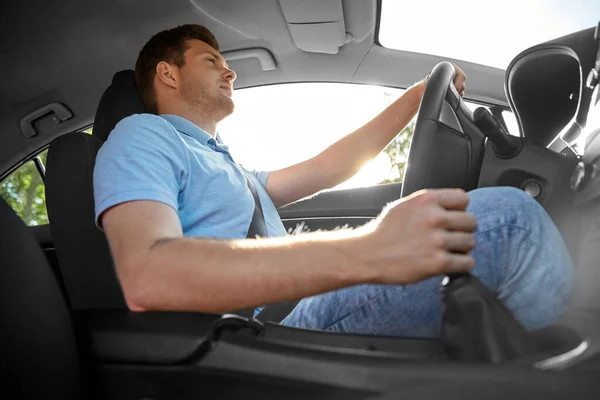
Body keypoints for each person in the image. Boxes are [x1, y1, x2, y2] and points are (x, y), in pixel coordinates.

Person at [93, 24, 574, 337]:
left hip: (297, 310)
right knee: (512, 223)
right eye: (210, 61)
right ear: (167, 74)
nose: (230, 70)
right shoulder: (142, 135)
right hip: (263, 332)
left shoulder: (227, 165)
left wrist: (415, 99)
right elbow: (149, 276)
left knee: (495, 225)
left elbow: (329, 168)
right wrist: (371, 249)